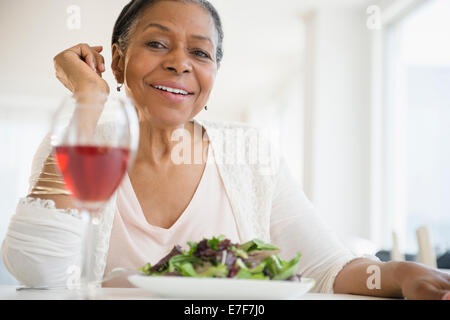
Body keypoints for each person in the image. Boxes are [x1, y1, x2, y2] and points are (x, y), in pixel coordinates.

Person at [2, 0, 449, 299]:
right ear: (117, 60)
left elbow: (326, 268)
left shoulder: (248, 151)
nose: (180, 62)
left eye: (200, 52)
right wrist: (88, 100)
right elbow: (37, 270)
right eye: (156, 43)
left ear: (213, 73)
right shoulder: (83, 141)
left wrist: (397, 274)